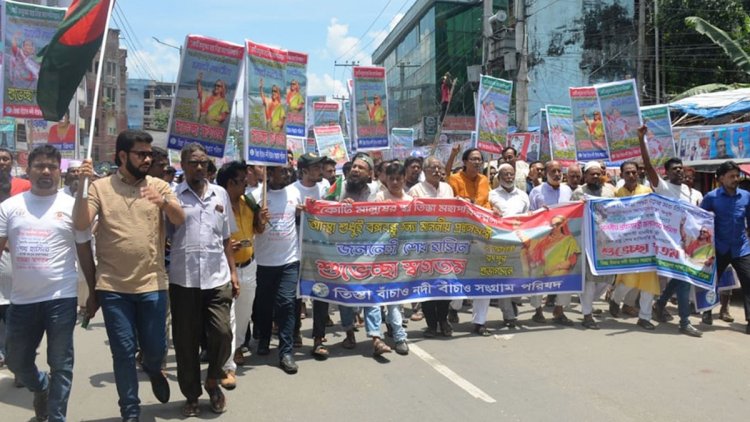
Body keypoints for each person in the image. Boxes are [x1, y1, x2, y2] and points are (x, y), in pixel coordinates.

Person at [74, 130, 186, 420]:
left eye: (150, 153)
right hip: (113, 287)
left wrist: (163, 203)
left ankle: (152, 366)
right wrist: (83, 184)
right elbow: (81, 223)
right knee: (122, 352)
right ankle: (130, 410)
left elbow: (179, 218)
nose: (148, 158)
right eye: (141, 153)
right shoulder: (100, 188)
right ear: (123, 156)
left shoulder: (159, 185)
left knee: (155, 349)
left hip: (153, 284)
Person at [0, 145, 95, 422]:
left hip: (61, 298)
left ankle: (56, 417)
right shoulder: (9, 207)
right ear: (27, 169)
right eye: (39, 165)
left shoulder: (73, 207)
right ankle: (40, 386)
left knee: (61, 364)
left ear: (60, 173)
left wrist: (93, 291)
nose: (45, 171)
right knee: (17, 361)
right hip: (22, 300)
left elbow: (84, 249)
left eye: (52, 167)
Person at [168, 143, 239, 416]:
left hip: (216, 278)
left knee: (222, 332)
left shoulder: (220, 194)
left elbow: (226, 238)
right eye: (193, 162)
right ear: (183, 166)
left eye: (203, 162)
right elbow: (165, 236)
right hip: (183, 280)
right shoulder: (173, 196)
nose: (199, 167)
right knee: (185, 342)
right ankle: (191, 395)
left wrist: (233, 272)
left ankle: (213, 379)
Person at [638, 126, 703, 337]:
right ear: (666, 172)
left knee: (681, 277)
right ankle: (684, 322)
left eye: (681, 168)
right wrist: (642, 140)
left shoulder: (691, 191)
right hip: (668, 243)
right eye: (674, 168)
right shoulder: (663, 187)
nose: (679, 171)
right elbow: (648, 167)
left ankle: (661, 303)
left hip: (687, 243)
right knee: (683, 280)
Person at [216, 162, 267, 386]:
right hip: (226, 270)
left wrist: (261, 220)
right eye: (241, 181)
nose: (246, 184)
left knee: (244, 316)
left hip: (250, 266)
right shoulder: (217, 205)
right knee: (229, 319)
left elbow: (259, 229)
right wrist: (226, 247)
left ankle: (234, 350)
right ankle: (227, 367)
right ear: (229, 183)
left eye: (246, 181)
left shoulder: (249, 202)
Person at [252, 162, 303, 374]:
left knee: (286, 304)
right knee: (263, 305)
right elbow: (250, 227)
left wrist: (304, 212)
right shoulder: (255, 196)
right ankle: (263, 338)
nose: (287, 174)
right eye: (282, 171)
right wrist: (259, 219)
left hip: (290, 260)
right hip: (263, 262)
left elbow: (302, 218)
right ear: (269, 172)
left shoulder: (295, 192)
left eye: (288, 171)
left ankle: (286, 352)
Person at [700, 161, 750, 334]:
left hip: (741, 248)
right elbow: (700, 219)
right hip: (718, 247)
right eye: (731, 176)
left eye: (737, 176)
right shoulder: (711, 197)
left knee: (748, 282)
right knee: (712, 281)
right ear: (721, 178)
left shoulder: (746, 196)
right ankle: (706, 311)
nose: (736, 179)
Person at [288, 153, 329, 358]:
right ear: (304, 171)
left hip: (321, 251)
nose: (320, 170)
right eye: (315, 167)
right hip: (296, 251)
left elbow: (334, 210)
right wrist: (296, 212)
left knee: (321, 294)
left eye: (320, 166)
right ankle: (295, 331)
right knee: (296, 294)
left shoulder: (325, 188)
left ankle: (319, 338)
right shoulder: (292, 191)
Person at [609, 161, 658, 331]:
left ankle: (644, 317)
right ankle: (616, 299)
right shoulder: (617, 195)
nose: (631, 175)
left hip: (646, 244)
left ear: (638, 174)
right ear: (621, 175)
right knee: (628, 282)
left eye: (634, 172)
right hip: (627, 245)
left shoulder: (647, 192)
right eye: (627, 173)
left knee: (648, 283)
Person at [409, 156, 455, 336]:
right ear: (424, 171)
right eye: (432, 168)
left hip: (445, 246)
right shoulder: (416, 190)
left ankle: (443, 321)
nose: (437, 171)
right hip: (424, 247)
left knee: (445, 285)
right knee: (427, 287)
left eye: (439, 167)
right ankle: (431, 324)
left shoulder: (448, 188)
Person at [368, 162, 410, 355]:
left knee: (395, 299)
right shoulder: (379, 197)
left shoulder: (411, 200)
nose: (394, 182)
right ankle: (376, 336)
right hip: (379, 256)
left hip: (401, 256)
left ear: (404, 179)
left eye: (398, 179)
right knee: (375, 296)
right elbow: (367, 219)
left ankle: (400, 336)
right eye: (391, 178)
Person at [484, 163, 530, 331]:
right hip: (500, 243)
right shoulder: (492, 195)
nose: (509, 177)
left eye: (511, 174)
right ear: (499, 177)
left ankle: (513, 301)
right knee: (504, 278)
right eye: (505, 174)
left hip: (519, 241)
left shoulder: (524, 196)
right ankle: (508, 315)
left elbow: (529, 217)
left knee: (520, 276)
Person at [527, 160, 574, 324]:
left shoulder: (568, 190)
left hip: (563, 241)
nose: (556, 174)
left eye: (559, 171)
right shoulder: (536, 191)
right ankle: (538, 310)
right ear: (545, 173)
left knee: (565, 274)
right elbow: (531, 215)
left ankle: (559, 310)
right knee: (538, 275)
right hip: (542, 242)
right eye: (553, 171)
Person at [571, 162, 615, 329]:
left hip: (605, 242)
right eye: (592, 174)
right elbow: (572, 216)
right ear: (585, 176)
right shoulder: (578, 193)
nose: (595, 177)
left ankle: (588, 304)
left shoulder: (610, 191)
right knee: (589, 281)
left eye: (598, 174)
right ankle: (587, 314)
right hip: (586, 242)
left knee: (606, 280)